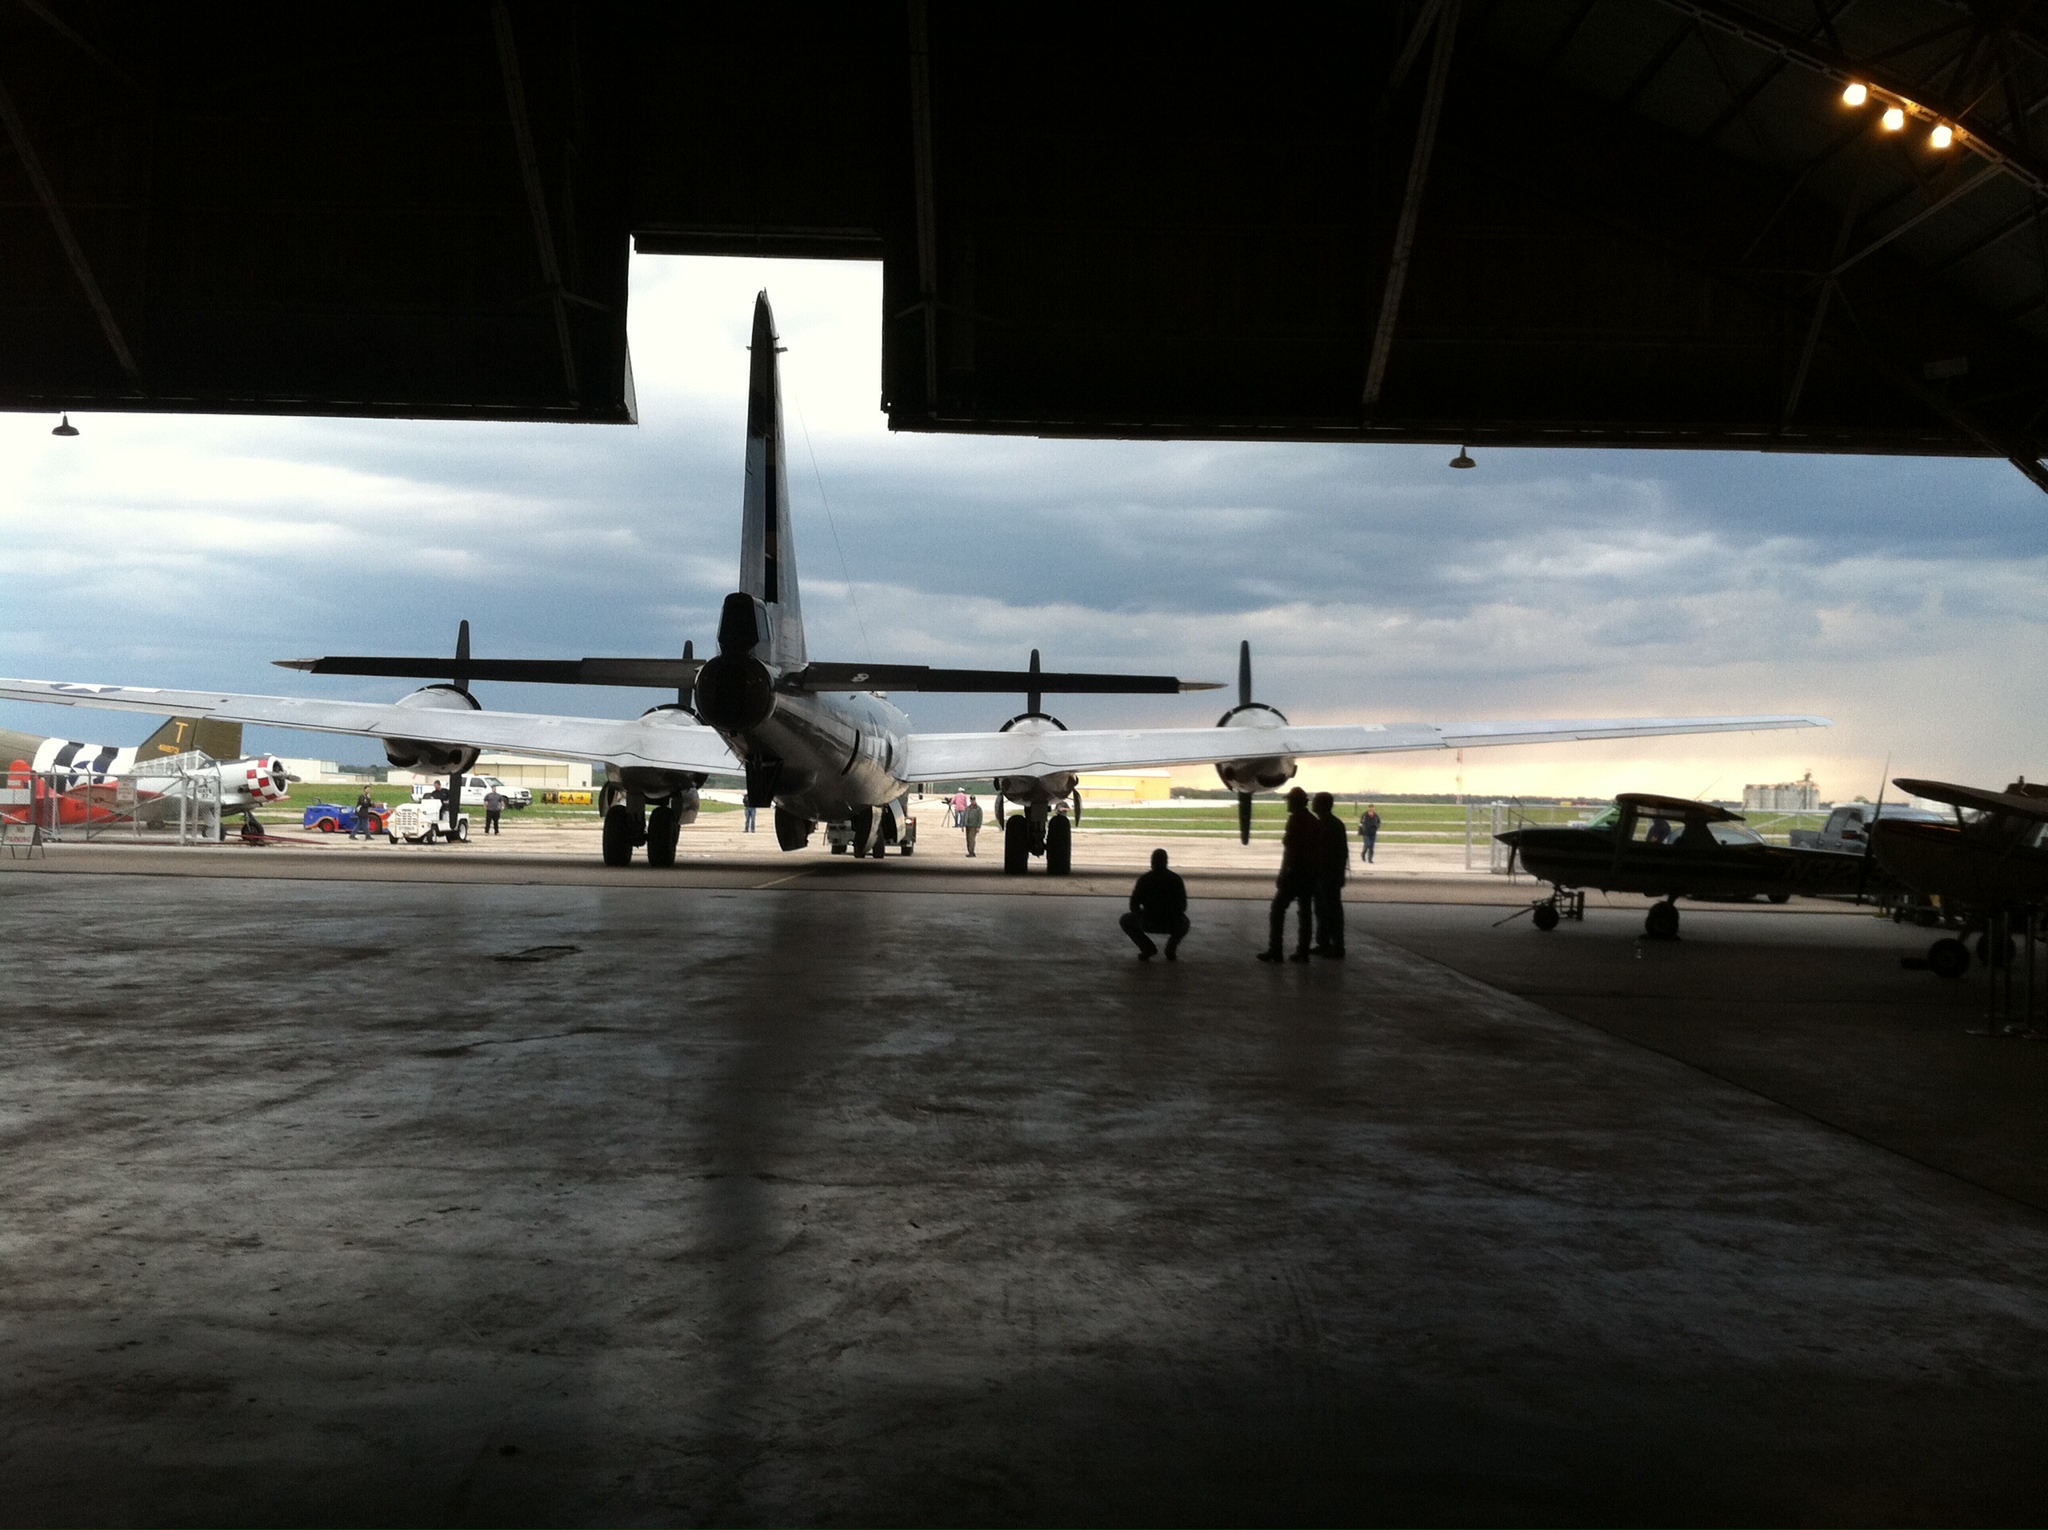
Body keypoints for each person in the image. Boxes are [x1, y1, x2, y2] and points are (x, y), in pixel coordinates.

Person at [1258, 786, 1320, 962]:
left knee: (1277, 910)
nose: (1288, 805)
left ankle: (1275, 950)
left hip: (1294, 873)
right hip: (1309, 874)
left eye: (1290, 801)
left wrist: (1283, 872)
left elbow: (1290, 850)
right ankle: (1303, 952)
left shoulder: (1295, 820)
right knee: (1305, 913)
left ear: (1295, 803)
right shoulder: (1312, 820)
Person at [1121, 848, 1190, 960]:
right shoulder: (1176, 879)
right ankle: (1170, 949)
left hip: (1149, 921)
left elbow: (1133, 905)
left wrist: (1143, 914)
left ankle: (1147, 947)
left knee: (1125, 920)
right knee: (1185, 922)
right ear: (1166, 862)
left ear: (1152, 862)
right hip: (1172, 922)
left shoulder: (1145, 879)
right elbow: (1183, 906)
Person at [1311, 791, 1348, 958]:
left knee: (1331, 910)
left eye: (1316, 801)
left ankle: (1337, 946)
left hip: (1329, 874)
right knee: (1321, 909)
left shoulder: (1331, 825)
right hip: (1322, 873)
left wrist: (1339, 874)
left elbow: (1340, 853)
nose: (1312, 804)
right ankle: (1324, 943)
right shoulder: (1330, 824)